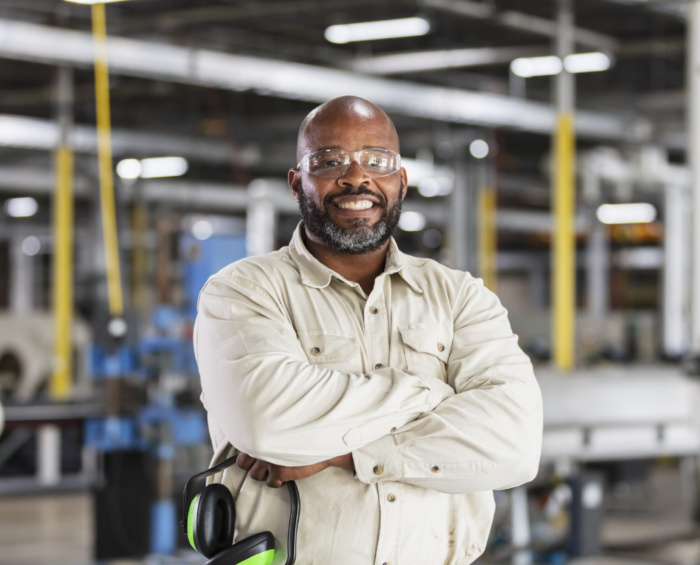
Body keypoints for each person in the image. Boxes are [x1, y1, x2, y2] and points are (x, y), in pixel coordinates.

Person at [194, 96, 543, 565]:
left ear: (400, 182)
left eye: (376, 161)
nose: (356, 177)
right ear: (297, 182)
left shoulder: (460, 297)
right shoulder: (243, 291)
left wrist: (340, 454)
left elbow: (515, 446)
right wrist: (433, 395)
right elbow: (266, 421)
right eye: (329, 160)